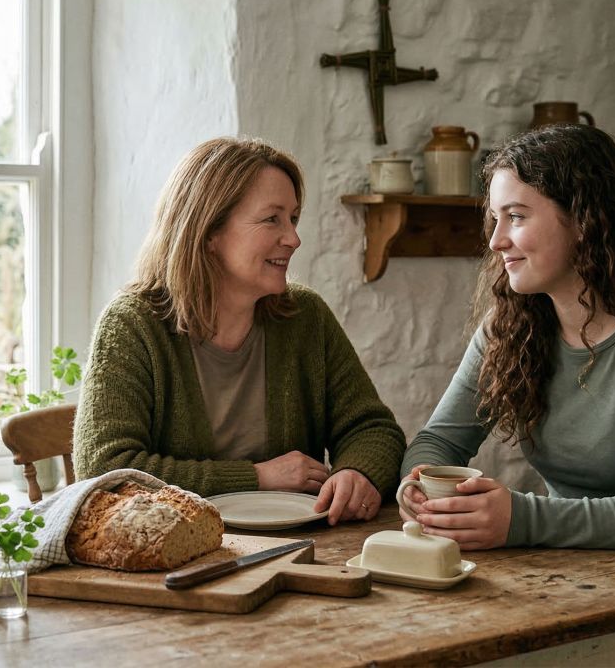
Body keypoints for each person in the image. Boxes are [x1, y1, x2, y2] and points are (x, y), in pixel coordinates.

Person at [74, 137, 405, 525]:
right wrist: (256, 477)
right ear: (209, 231)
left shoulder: (306, 316)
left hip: (302, 549)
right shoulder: (132, 324)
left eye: (293, 218)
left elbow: (372, 428)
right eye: (272, 219)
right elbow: (105, 471)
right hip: (175, 561)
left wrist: (358, 472)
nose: (293, 238)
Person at [399, 124, 615, 550]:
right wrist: (420, 489)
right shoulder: (511, 326)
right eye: (494, 219)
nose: (497, 241)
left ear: (584, 220)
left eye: (516, 216)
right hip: (561, 573)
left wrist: (523, 519)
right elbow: (439, 440)